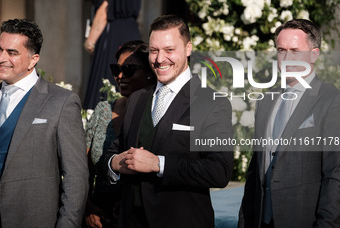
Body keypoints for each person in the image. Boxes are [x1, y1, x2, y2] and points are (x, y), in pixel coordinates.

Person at [104, 14, 234, 228]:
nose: (160, 59)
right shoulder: (137, 99)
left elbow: (219, 171)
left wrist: (158, 164)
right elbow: (114, 152)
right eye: (154, 51)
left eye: (169, 50)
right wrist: (115, 163)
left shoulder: (211, 102)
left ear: (188, 48)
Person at [238, 19, 340, 228]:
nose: (287, 58)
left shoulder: (331, 100)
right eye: (281, 50)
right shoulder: (266, 100)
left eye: (295, 51)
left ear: (314, 54)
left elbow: (335, 174)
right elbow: (254, 171)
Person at [0, 18, 89, 227]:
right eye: (0, 50)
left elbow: (76, 177)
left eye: (11, 53)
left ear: (33, 60)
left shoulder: (61, 102)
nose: (2, 58)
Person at [84, 40, 155, 228]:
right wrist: (88, 208)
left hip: (141, 214)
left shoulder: (158, 114)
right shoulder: (103, 110)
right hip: (98, 214)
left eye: (130, 69)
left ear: (149, 72)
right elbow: (83, 170)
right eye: (116, 69)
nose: (120, 76)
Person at [83, 0, 142, 110]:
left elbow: (104, 8)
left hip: (114, 35)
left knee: (107, 84)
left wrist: (90, 40)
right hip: (132, 32)